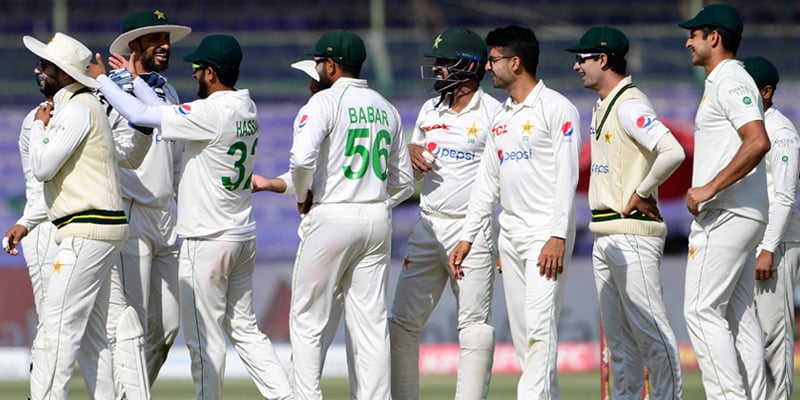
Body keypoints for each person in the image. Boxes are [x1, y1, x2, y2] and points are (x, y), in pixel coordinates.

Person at [88, 34, 294, 400]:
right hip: (242, 234)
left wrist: (103, 80)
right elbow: (168, 116)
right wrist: (137, 81)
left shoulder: (209, 113)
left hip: (207, 240)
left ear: (212, 73)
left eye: (199, 69)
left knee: (203, 341)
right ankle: (288, 396)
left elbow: (138, 115)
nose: (195, 74)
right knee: (246, 330)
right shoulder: (246, 107)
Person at [449, 25, 582, 398]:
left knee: (541, 330)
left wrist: (557, 235)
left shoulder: (557, 109)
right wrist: (468, 238)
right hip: (511, 238)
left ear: (516, 62)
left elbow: (566, 179)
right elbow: (486, 186)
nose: (488, 68)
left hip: (546, 235)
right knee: (526, 339)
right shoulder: (501, 117)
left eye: (493, 60)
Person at [288, 29, 414, 398]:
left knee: (308, 320)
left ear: (330, 65)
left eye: (318, 63)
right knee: (372, 327)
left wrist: (302, 196)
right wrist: (377, 205)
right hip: (377, 220)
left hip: (332, 215)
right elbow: (404, 181)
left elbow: (301, 159)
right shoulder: (385, 107)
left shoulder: (323, 103)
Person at [566, 26, 684, 399]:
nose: (576, 66)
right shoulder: (605, 103)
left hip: (632, 233)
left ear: (602, 60)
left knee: (652, 334)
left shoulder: (630, 104)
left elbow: (673, 151)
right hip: (606, 233)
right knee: (619, 345)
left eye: (582, 59)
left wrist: (643, 191)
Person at [23, 32, 137, 400]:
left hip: (88, 227)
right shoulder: (83, 104)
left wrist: (40, 125)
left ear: (65, 72)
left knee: (56, 326)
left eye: (45, 66)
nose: (38, 70)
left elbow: (42, 167)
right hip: (96, 227)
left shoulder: (75, 108)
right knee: (93, 333)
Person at [388, 26, 501, 400]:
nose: (437, 69)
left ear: (469, 66)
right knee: (401, 324)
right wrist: (411, 151)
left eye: (443, 62)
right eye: (436, 62)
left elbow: (504, 178)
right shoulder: (429, 108)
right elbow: (416, 148)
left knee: (473, 326)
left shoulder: (493, 113)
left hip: (471, 231)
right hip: (427, 225)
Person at [678, 4, 771, 399]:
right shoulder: (723, 81)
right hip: (740, 212)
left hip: (727, 212)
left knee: (700, 311)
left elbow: (758, 140)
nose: (687, 41)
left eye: (694, 34)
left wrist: (708, 188)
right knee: (739, 316)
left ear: (713, 38)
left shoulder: (730, 80)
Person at [102, 8, 189, 388]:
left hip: (165, 216)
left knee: (167, 328)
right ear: (134, 45)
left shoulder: (168, 90)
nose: (165, 45)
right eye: (155, 39)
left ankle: (130, 394)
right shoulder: (110, 89)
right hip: (131, 211)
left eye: (166, 38)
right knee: (131, 326)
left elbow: (175, 157)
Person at [743, 56, 800, 400]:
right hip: (751, 242)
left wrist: (768, 248)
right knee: (751, 336)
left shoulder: (781, 133)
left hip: (776, 245)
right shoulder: (748, 128)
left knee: (774, 337)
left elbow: (785, 196)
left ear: (766, 92)